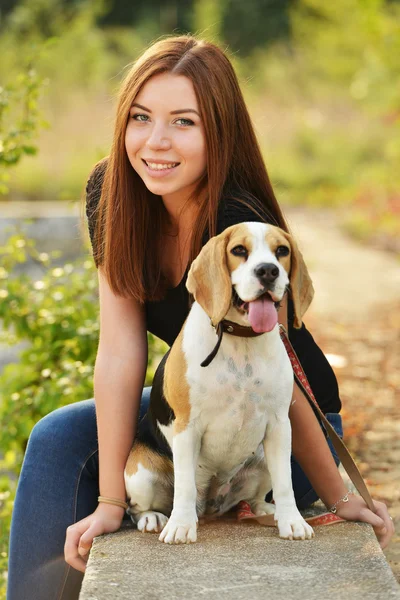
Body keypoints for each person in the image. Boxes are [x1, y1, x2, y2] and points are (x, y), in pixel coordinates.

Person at [7, 34, 394, 600]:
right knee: (55, 441)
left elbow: (280, 384)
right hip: (200, 399)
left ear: (220, 134)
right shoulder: (111, 191)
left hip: (283, 428)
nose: (155, 142)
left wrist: (339, 495)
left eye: (183, 123)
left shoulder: (238, 229)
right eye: (141, 117)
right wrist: (112, 500)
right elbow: (120, 350)